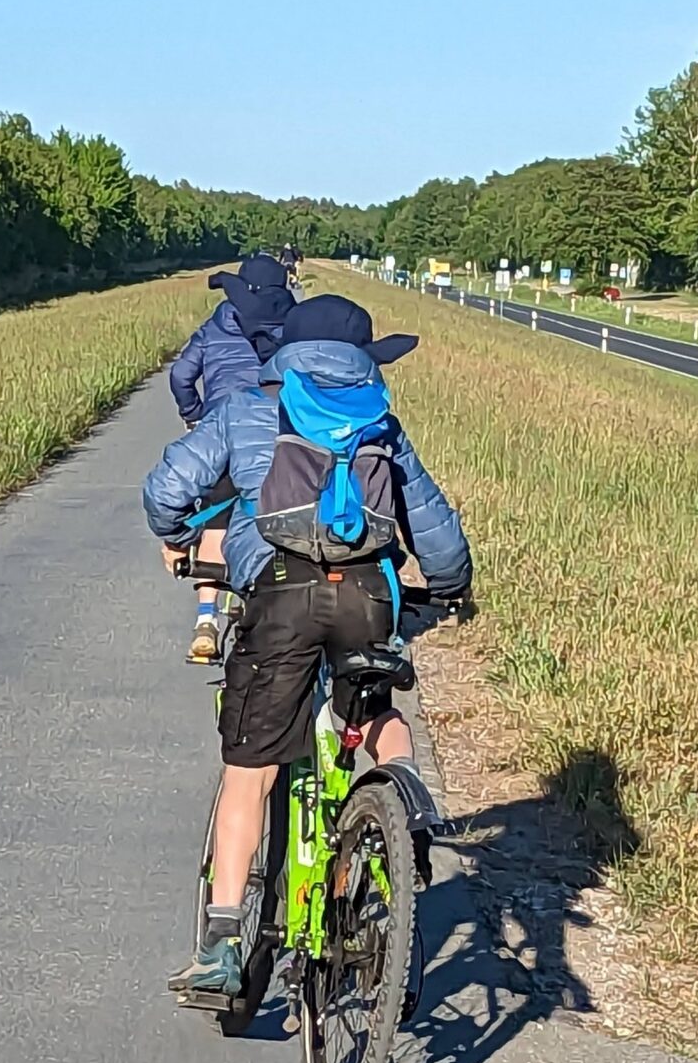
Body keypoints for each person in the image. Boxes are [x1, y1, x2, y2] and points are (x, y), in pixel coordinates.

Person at [141, 293, 473, 998]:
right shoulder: (380, 421)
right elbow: (437, 534)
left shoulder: (249, 409)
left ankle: (224, 945)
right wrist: (445, 590)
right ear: (364, 359)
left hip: (279, 590)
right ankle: (400, 822)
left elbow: (168, 486)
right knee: (375, 712)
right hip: (368, 594)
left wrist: (176, 539)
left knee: (252, 764)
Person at [166, 254, 295, 661]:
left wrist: (193, 415)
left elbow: (181, 375)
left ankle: (206, 621)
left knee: (216, 522)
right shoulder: (292, 321)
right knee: (274, 512)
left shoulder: (216, 324)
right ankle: (259, 606)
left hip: (220, 430)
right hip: (275, 430)